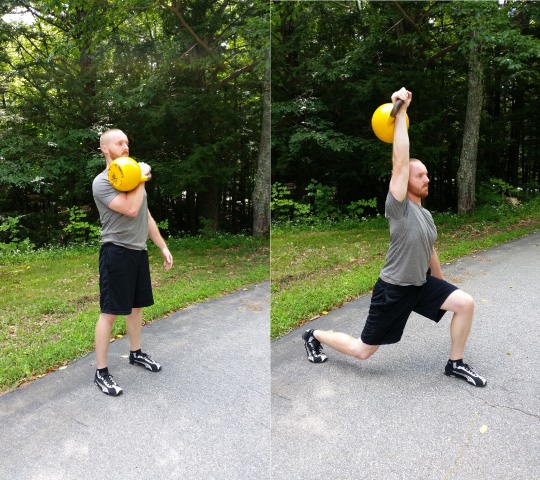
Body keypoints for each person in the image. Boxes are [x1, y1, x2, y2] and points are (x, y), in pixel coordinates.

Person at [302, 88, 486, 387]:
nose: (426, 179)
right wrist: (400, 114)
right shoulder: (397, 207)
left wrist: (442, 284)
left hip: (421, 285)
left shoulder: (424, 214)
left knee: (464, 303)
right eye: (420, 176)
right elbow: (400, 163)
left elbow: (429, 248)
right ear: (405, 182)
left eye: (427, 175)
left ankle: (455, 364)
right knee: (364, 351)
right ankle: (314, 335)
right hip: (394, 291)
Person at [92, 129, 173, 396]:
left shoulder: (134, 180)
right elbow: (130, 208)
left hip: (138, 252)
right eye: (119, 142)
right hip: (116, 251)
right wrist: (140, 177)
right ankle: (101, 372)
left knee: (136, 308)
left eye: (127, 142)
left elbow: (145, 216)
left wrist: (161, 245)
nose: (126, 146)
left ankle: (135, 353)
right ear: (105, 149)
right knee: (110, 312)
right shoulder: (102, 182)